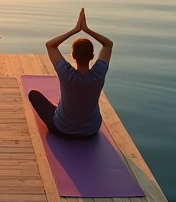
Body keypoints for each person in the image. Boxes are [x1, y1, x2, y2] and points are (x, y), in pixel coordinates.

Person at [29, 8, 113, 139]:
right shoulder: (99, 74)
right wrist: (87, 30)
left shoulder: (66, 73)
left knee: (33, 95)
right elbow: (108, 45)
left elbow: (50, 45)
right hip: (91, 132)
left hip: (62, 130)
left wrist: (75, 30)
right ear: (92, 56)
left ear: (73, 55)